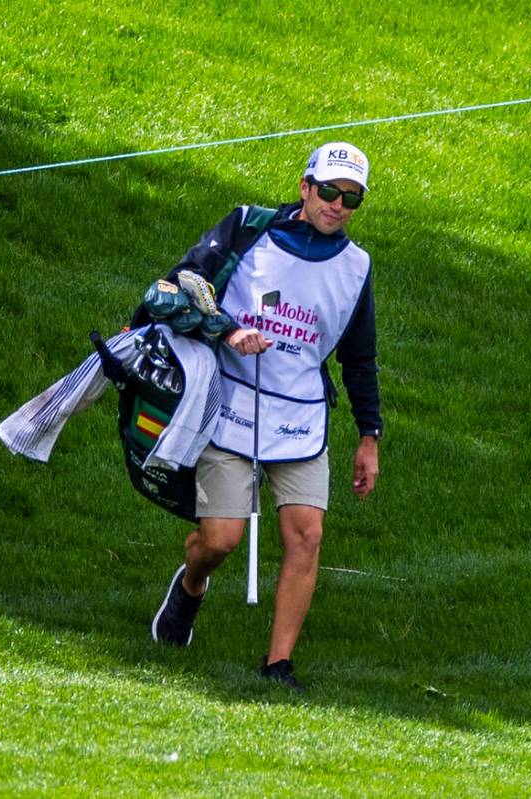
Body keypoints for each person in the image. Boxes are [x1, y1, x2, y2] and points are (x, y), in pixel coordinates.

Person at [150, 142, 383, 691]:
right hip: (231, 403)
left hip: (301, 418)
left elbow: (360, 357)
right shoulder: (248, 229)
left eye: (351, 199)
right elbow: (181, 286)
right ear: (305, 187)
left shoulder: (356, 268)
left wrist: (369, 435)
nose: (338, 205)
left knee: (306, 535)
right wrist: (227, 331)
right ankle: (190, 587)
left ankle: (278, 665)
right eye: (329, 191)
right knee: (221, 540)